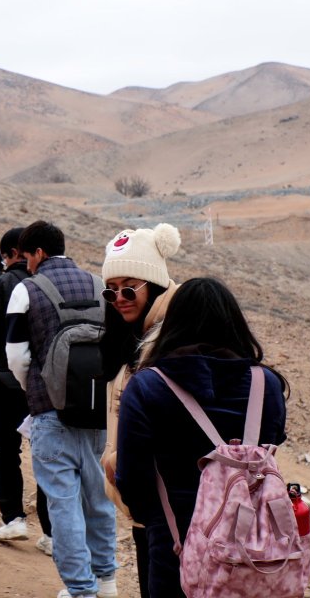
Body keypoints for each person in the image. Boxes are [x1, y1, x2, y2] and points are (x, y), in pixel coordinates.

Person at [116, 277, 289, 598]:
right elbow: (272, 445)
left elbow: (131, 480)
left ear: (172, 325)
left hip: (175, 551)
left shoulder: (146, 387)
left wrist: (154, 519)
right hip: (254, 553)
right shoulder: (268, 385)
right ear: (235, 324)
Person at [6, 221, 120, 598]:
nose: (27, 266)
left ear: (38, 253)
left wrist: (36, 390)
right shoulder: (98, 285)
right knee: (99, 498)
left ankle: (80, 589)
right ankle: (106, 581)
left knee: (63, 504)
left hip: (51, 414)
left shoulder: (26, 290)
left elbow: (16, 357)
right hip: (96, 410)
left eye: (27, 259)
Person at [99, 223, 182, 598]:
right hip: (143, 496)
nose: (120, 298)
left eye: (130, 287)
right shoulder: (131, 335)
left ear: (155, 283)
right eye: (111, 290)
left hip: (172, 501)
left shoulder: (172, 338)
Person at [0, 228, 53, 553]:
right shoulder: (49, 285)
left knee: (5, 453)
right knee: (47, 456)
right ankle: (51, 533)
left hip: (3, 382)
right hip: (45, 385)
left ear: (10, 253)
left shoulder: (6, 283)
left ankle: (14, 519)